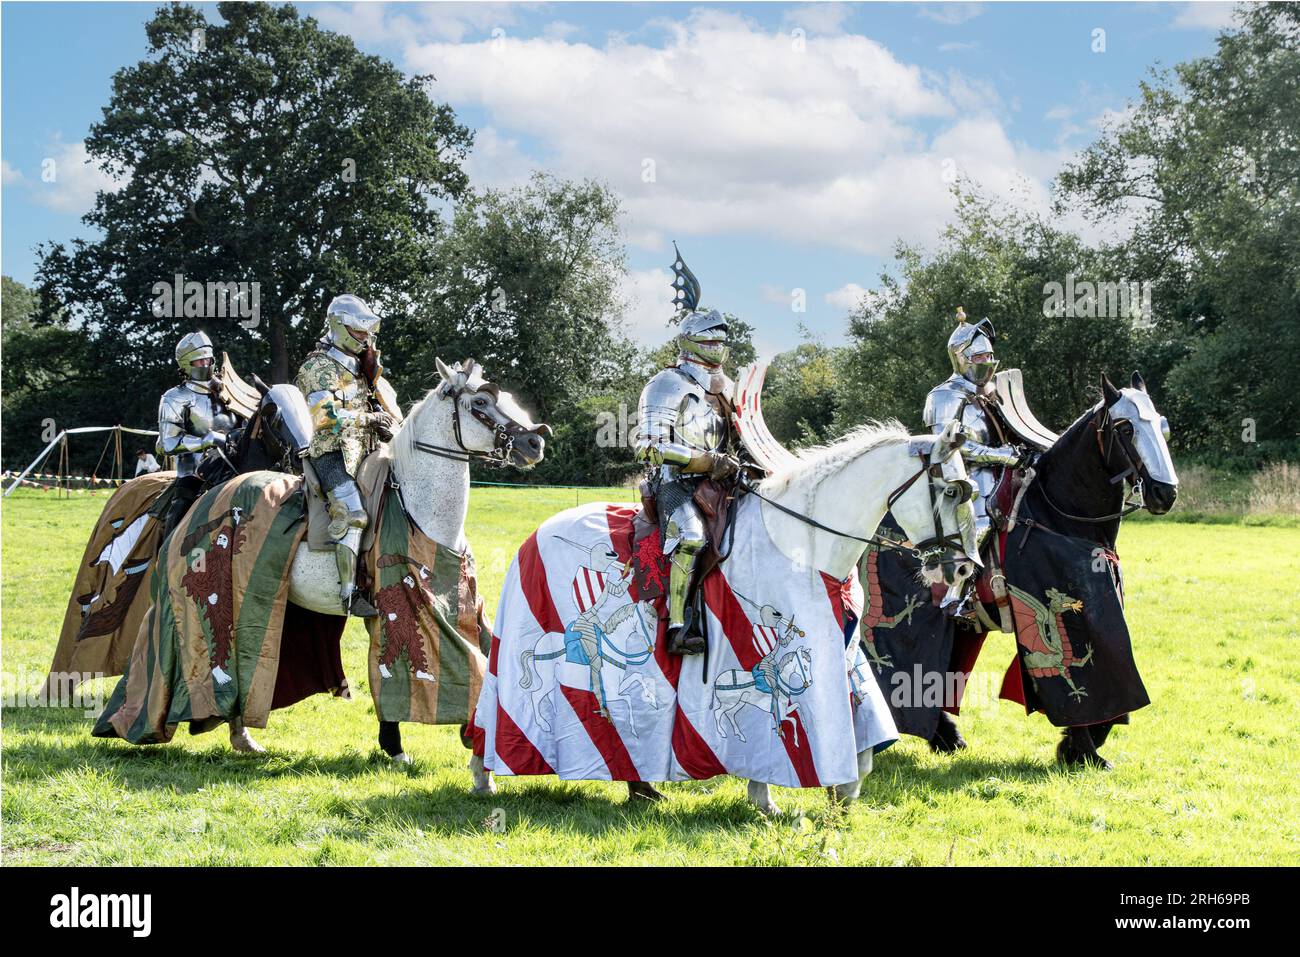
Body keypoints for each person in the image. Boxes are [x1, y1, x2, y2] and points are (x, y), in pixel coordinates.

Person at [633, 246, 741, 655]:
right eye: (709, 341)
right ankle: (678, 625)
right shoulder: (668, 384)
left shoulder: (726, 387)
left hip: (724, 480)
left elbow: (738, 436)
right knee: (693, 536)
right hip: (675, 482)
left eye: (721, 341)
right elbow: (649, 447)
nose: (718, 348)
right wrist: (704, 460)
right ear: (690, 342)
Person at [294, 294, 396, 618]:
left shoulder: (361, 365)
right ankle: (349, 593)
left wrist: (387, 420)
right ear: (339, 325)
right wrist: (369, 419)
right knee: (353, 512)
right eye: (358, 332)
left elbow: (376, 405)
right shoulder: (316, 366)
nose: (365, 338)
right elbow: (323, 417)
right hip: (330, 452)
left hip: (368, 449)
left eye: (367, 333)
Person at [922, 307, 1033, 555]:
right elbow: (950, 446)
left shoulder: (992, 392)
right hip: (963, 474)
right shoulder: (945, 395)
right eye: (980, 357)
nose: (988, 362)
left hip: (1003, 470)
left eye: (990, 356)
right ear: (962, 357)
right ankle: (958, 587)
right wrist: (1002, 456)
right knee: (983, 517)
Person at [157, 332, 234, 539]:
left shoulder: (228, 391)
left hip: (232, 465)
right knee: (181, 504)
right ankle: (167, 556)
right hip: (194, 472)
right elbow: (165, 443)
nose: (206, 363)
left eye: (208, 358)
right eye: (199, 360)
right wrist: (203, 441)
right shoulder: (175, 397)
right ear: (186, 364)